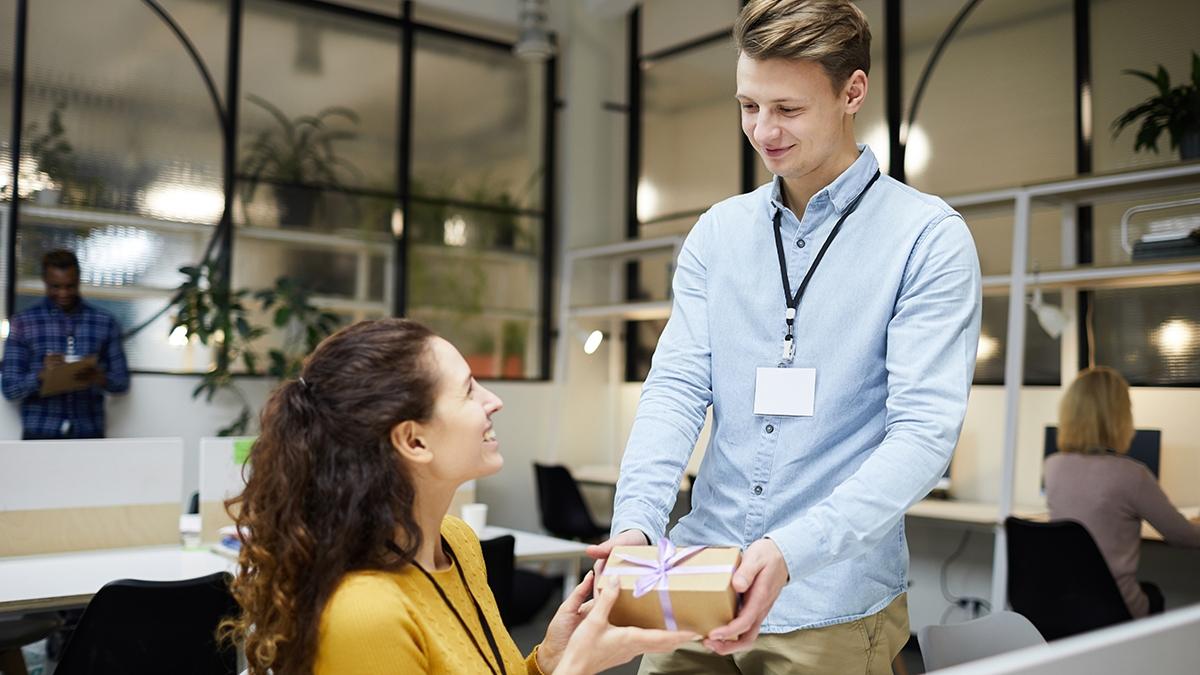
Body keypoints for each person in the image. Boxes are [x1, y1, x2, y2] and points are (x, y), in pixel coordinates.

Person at [588, 1, 982, 672]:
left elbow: (922, 433)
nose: (763, 131)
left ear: (852, 91)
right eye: (748, 106)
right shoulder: (719, 231)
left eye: (788, 110)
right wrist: (637, 524)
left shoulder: (926, 238)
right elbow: (677, 387)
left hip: (828, 596)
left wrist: (792, 550)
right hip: (693, 578)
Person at [219, 318, 697, 675]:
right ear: (413, 441)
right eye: (469, 391)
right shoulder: (365, 614)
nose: (493, 401)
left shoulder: (458, 544)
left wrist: (551, 659)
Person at [1045, 366, 1200, 618]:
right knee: (1157, 594)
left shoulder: (1052, 466)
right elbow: (1184, 536)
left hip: (1063, 603)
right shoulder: (1132, 475)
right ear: (1119, 417)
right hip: (1113, 605)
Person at [2, 249, 129, 439]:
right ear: (45, 282)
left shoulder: (105, 322)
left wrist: (98, 376)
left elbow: (121, 383)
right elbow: (10, 389)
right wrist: (42, 376)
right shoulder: (23, 322)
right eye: (55, 286)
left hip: (89, 432)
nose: (63, 293)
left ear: (78, 280)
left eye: (70, 286)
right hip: (40, 432)